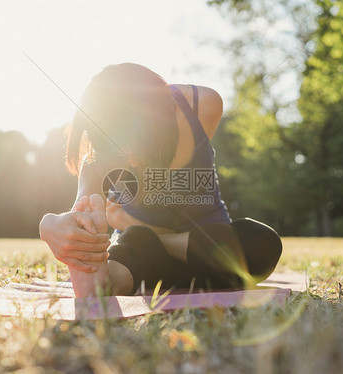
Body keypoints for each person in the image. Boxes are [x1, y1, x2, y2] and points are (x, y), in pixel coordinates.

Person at [39, 63, 282, 297]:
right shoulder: (96, 162)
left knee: (262, 242)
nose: (132, 161)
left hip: (211, 247)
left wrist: (134, 223)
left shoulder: (202, 105)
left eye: (136, 145)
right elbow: (79, 219)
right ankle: (107, 283)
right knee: (135, 242)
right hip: (145, 255)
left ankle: (152, 246)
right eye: (120, 151)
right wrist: (49, 225)